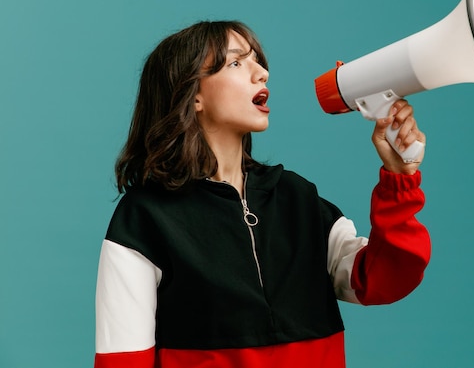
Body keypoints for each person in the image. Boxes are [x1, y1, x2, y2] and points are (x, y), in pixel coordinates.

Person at [94, 20, 431, 368]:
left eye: (258, 60)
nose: (262, 73)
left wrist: (399, 178)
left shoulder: (297, 199)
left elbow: (383, 280)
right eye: (237, 63)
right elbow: (122, 359)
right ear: (193, 94)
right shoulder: (144, 219)